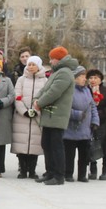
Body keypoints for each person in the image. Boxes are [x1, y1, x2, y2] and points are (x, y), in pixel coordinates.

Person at [33, 46, 78, 185]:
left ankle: (59, 176)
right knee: (46, 144)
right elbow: (45, 89)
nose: (51, 61)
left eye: (52, 58)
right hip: (50, 115)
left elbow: (54, 92)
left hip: (57, 115)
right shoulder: (57, 72)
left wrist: (39, 103)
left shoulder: (64, 73)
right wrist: (37, 99)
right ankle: (50, 172)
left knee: (56, 145)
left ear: (58, 59)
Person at [11, 55, 46, 179]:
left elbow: (45, 97)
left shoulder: (44, 80)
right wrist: (24, 111)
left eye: (33, 64)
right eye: (29, 64)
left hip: (36, 117)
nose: (31, 67)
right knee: (22, 144)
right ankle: (22, 170)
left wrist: (36, 110)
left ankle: (32, 170)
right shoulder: (21, 79)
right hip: (22, 117)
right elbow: (17, 96)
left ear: (39, 66)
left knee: (34, 145)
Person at [63, 66, 99, 183]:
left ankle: (82, 175)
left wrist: (95, 121)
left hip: (85, 129)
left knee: (84, 155)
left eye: (85, 76)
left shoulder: (87, 90)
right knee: (69, 154)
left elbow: (92, 107)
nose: (85, 79)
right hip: (71, 129)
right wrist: (77, 115)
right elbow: (65, 108)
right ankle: (68, 174)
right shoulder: (69, 90)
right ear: (75, 78)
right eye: (82, 76)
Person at [87, 68, 106, 180]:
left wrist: (98, 114)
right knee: (91, 146)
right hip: (90, 123)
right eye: (90, 77)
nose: (93, 80)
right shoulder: (86, 90)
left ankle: (105, 171)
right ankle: (93, 170)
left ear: (100, 79)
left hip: (105, 123)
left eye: (95, 77)